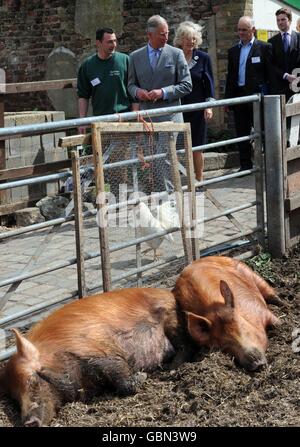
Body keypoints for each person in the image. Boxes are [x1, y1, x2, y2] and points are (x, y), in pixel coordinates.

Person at [128, 15, 192, 192]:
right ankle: (160, 197)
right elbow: (130, 85)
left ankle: (169, 198)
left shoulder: (176, 54)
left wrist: (163, 92)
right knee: (153, 159)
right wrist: (138, 92)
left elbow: (187, 85)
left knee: (165, 157)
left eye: (167, 33)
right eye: (162, 34)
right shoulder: (135, 57)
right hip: (148, 119)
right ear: (150, 35)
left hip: (170, 117)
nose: (166, 38)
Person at [225, 16, 272, 170]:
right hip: (239, 96)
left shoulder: (264, 48)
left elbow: (269, 74)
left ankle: (267, 165)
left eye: (244, 30)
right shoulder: (233, 51)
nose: (241, 33)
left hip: (257, 97)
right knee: (241, 132)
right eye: (239, 29)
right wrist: (227, 100)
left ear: (253, 30)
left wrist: (269, 96)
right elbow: (230, 76)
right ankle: (245, 165)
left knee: (262, 131)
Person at [174, 21, 215, 181]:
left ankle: (199, 179)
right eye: (186, 38)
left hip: (198, 110)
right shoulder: (174, 56)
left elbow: (209, 83)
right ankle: (178, 180)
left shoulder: (203, 58)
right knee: (176, 147)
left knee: (197, 147)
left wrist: (209, 106)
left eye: (193, 38)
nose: (190, 41)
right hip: (178, 109)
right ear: (180, 39)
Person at [77, 27, 131, 133]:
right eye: (109, 42)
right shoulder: (87, 65)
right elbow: (83, 95)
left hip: (125, 119)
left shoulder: (125, 60)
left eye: (115, 41)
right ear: (98, 43)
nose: (114, 45)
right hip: (100, 121)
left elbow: (133, 91)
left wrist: (135, 114)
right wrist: (82, 121)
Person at [268, 8, 300, 100]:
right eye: (278, 20)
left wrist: (296, 79)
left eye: (283, 19)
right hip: (280, 89)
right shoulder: (271, 42)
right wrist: (286, 76)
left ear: (289, 20)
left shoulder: (299, 38)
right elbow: (271, 65)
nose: (280, 22)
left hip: (298, 86)